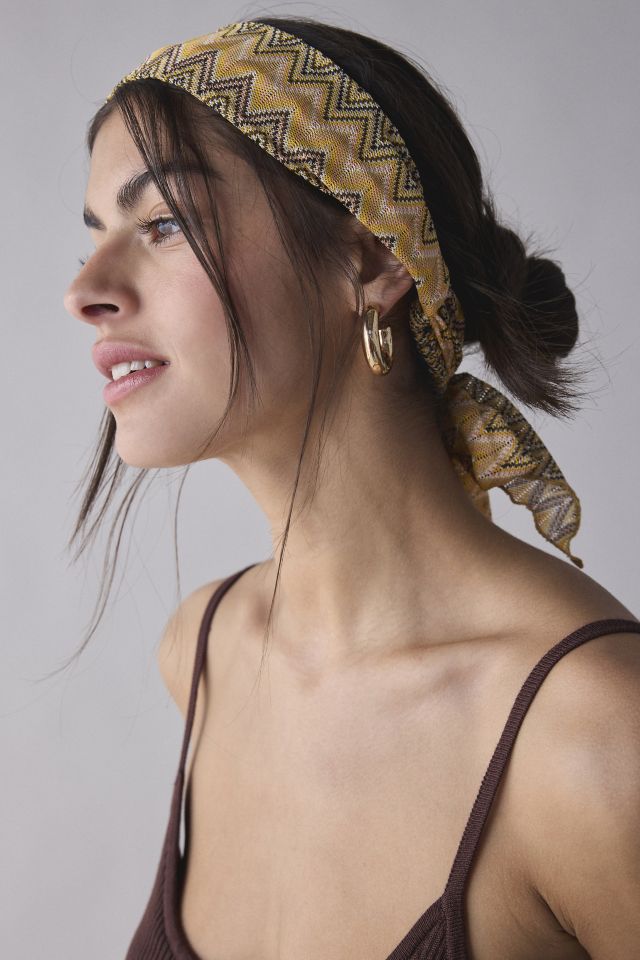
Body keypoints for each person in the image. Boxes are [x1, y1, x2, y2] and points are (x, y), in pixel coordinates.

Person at [62, 16, 640, 960]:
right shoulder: (202, 653)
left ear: (372, 259)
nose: (85, 290)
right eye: (94, 236)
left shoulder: (597, 740)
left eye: (164, 224)